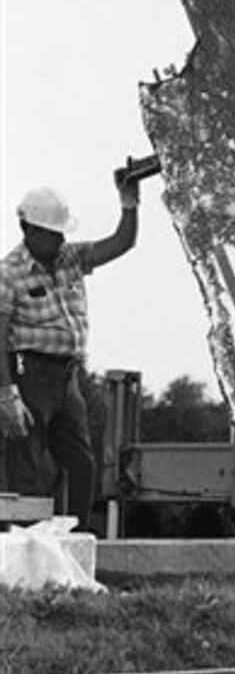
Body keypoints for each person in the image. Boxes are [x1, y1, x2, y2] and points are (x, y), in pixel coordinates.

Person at [0, 175, 140, 530]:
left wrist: (128, 204)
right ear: (30, 230)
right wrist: (7, 394)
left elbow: (122, 243)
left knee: (82, 464)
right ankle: (26, 550)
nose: (61, 238)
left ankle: (73, 542)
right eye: (53, 232)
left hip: (67, 377)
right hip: (28, 372)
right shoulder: (8, 274)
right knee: (28, 466)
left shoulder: (70, 258)